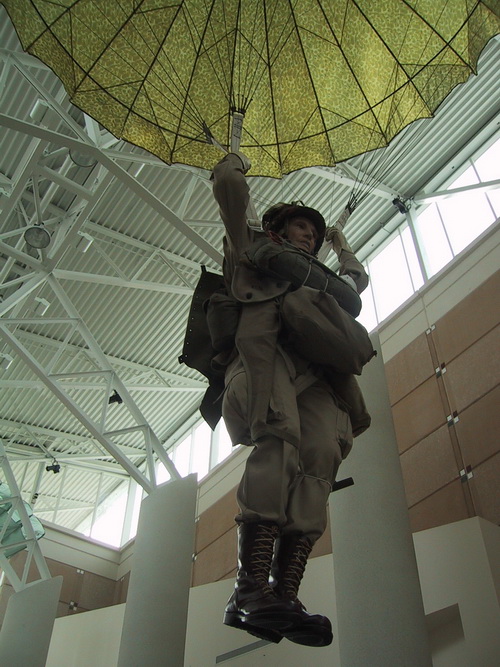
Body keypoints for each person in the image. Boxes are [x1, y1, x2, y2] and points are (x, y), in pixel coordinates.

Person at [208, 151, 372, 647]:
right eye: (302, 227)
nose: (310, 236)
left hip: (318, 380)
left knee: (321, 455)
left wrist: (343, 248)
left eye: (316, 234)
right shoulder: (251, 252)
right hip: (264, 362)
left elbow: (355, 285)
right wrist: (230, 165)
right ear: (280, 228)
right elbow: (232, 200)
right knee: (279, 445)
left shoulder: (320, 287)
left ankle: (285, 593)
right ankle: (249, 587)